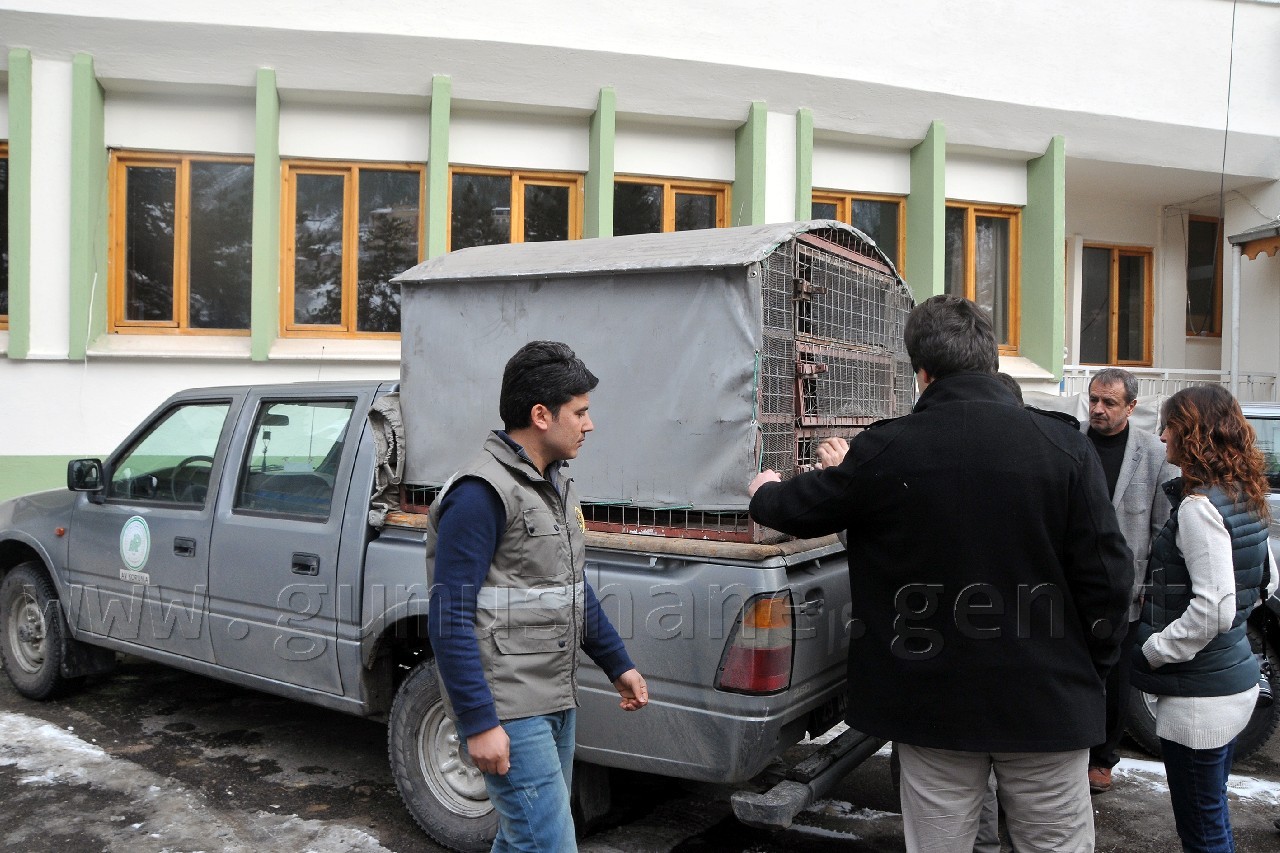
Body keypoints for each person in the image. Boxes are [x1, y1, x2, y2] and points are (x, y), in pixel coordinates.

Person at [749, 294, 1133, 853]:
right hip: (1047, 703)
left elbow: (797, 507)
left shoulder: (888, 450)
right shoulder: (1066, 449)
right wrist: (1086, 666)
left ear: (921, 373)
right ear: (992, 362)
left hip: (931, 709)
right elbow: (1108, 583)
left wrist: (763, 491)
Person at [426, 340, 649, 852]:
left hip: (554, 693)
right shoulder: (480, 494)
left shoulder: (553, 485)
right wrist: (480, 723)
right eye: (581, 412)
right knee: (547, 843)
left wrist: (618, 663)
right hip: (510, 704)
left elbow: (570, 589)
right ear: (541, 415)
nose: (589, 425)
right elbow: (449, 618)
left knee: (523, 837)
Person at [1131, 384, 1277, 853]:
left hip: (1201, 701)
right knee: (1211, 818)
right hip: (1232, 683)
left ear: (1193, 433)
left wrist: (1156, 650)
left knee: (1203, 831)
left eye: (1169, 425)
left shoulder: (1200, 507)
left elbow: (1215, 609)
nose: (1161, 436)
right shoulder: (1241, 491)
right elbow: (1266, 582)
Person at [1084, 368, 1179, 795]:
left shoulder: (1153, 454)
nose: (1098, 409)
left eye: (1109, 403)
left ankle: (1103, 759)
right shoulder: (1073, 444)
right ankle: (1070, 750)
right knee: (1074, 672)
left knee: (1117, 679)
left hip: (1127, 590)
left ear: (1131, 407)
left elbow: (1161, 529)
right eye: (1094, 400)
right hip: (1071, 588)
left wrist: (1145, 587)